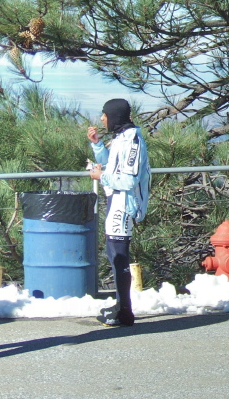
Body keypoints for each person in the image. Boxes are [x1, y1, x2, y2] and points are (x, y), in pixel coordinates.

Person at [85, 98, 153, 327]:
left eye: (104, 114)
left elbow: (129, 179)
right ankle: (121, 305)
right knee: (114, 256)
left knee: (119, 257)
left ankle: (125, 312)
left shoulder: (132, 141)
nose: (102, 118)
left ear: (115, 116)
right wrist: (96, 145)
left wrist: (100, 177)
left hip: (124, 205)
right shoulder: (120, 137)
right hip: (115, 201)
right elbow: (112, 165)